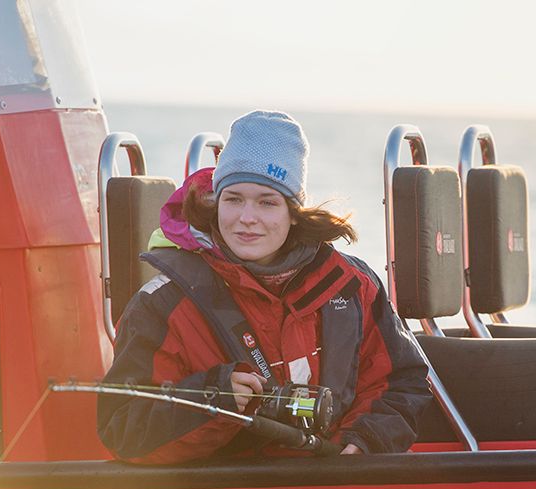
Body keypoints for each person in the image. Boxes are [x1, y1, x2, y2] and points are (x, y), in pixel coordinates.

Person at [97, 110, 431, 463]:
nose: (247, 218)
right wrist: (213, 399)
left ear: (293, 211)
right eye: (233, 199)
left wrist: (365, 440)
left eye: (267, 202)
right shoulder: (161, 305)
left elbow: (402, 383)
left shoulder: (352, 286)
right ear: (215, 204)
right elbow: (122, 429)